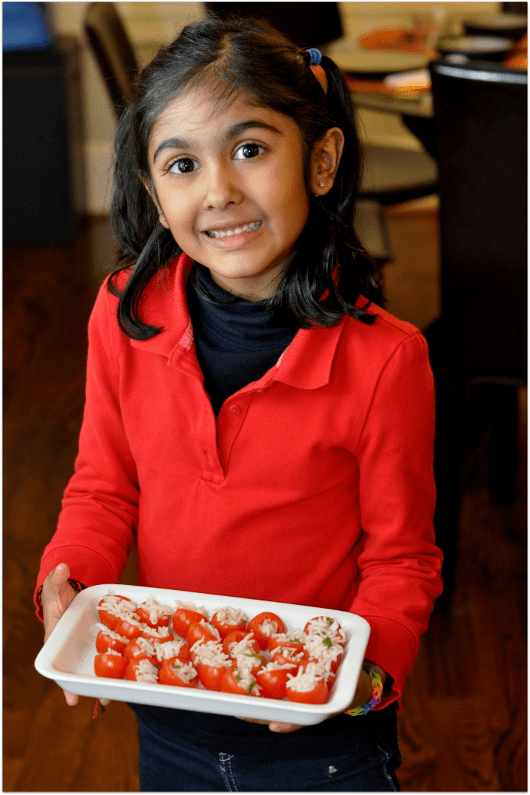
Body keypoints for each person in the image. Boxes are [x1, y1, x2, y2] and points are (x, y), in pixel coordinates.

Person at [36, 15, 443, 792]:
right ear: (155, 194)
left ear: (321, 161)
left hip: (324, 743)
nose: (219, 190)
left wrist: (358, 679)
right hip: (168, 718)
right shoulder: (122, 314)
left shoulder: (387, 359)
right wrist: (72, 576)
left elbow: (402, 560)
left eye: (250, 150)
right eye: (182, 163)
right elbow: (101, 487)